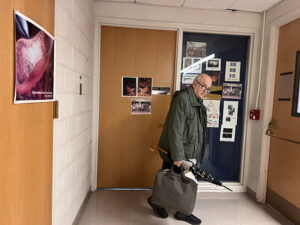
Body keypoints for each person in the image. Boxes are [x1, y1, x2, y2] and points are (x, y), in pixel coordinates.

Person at [148, 73, 212, 225]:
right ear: (195, 83)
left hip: (190, 149)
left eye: (208, 89)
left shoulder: (197, 100)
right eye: (204, 86)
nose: (205, 90)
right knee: (170, 179)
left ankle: (182, 211)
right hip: (180, 150)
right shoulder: (182, 100)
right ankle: (158, 203)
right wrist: (177, 155)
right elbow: (175, 129)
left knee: (183, 180)